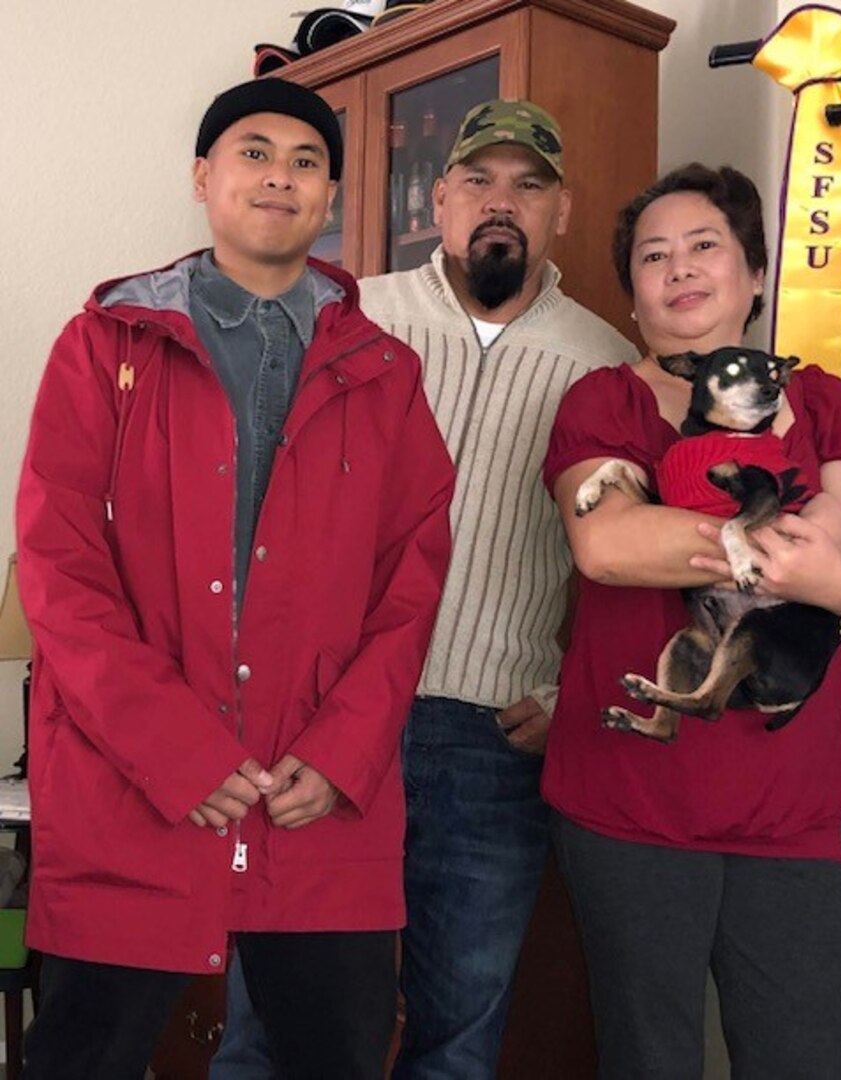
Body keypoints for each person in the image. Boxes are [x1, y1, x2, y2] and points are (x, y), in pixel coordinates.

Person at [16, 77, 455, 1079]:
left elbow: (412, 579)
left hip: (317, 793)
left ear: (330, 198)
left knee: (338, 1054)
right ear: (204, 178)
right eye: (254, 153)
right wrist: (174, 751)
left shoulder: (385, 371)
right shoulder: (104, 347)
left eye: (306, 162)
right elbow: (59, 568)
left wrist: (342, 752)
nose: (280, 177)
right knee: (85, 1054)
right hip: (134, 789)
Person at [212, 98, 638, 1079]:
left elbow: (622, 562)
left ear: (560, 211)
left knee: (457, 1034)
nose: (503, 201)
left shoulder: (604, 362)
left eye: (528, 185)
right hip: (321, 724)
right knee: (270, 1020)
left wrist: (578, 685)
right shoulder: (346, 318)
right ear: (437, 200)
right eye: (479, 181)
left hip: (489, 742)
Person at [541, 162, 841, 1079]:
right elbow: (608, 544)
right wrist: (795, 552)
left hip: (792, 809)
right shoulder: (602, 403)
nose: (679, 269)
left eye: (704, 246)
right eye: (653, 257)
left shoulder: (821, 401)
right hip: (628, 805)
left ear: (750, 274)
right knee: (645, 1058)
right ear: (632, 297)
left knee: (802, 1059)